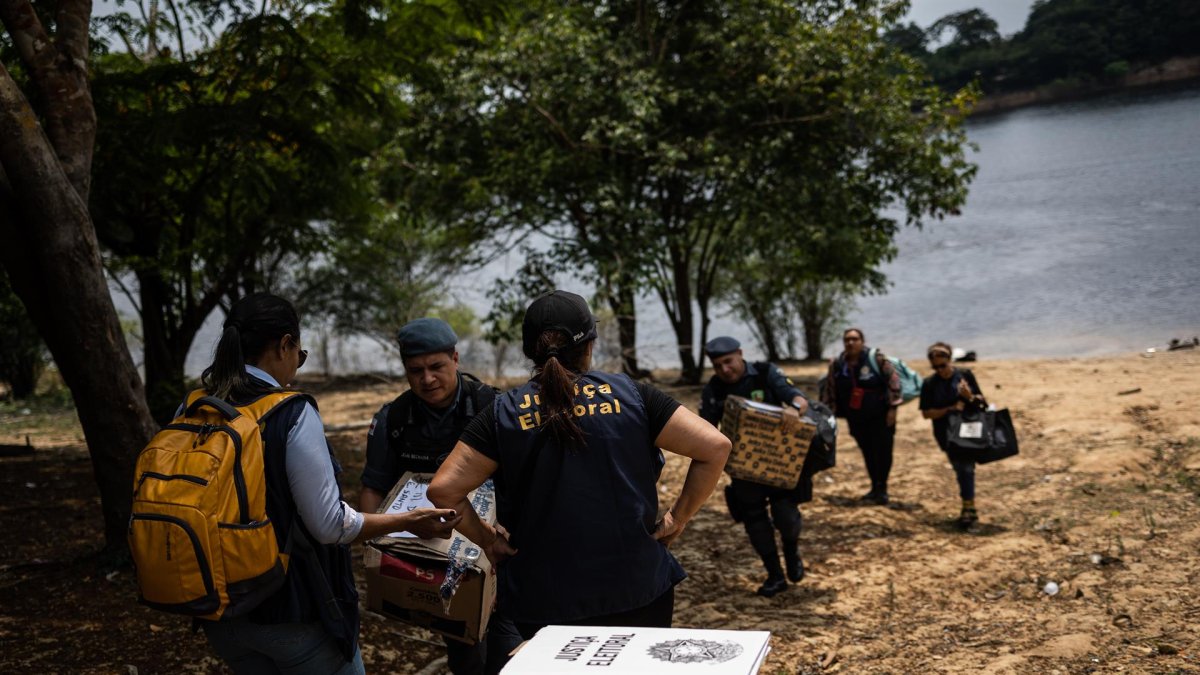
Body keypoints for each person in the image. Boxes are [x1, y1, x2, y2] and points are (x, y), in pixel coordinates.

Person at [427, 290, 730, 663]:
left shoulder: (502, 413)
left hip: (543, 598)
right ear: (590, 345)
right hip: (636, 587)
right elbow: (715, 447)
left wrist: (488, 539)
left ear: (529, 351)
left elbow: (444, 490)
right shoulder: (632, 395)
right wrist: (677, 518)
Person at [193, 293, 460, 675]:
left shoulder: (195, 405)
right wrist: (406, 521)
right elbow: (330, 525)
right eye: (299, 355)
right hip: (289, 611)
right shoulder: (291, 412)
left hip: (216, 610)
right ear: (286, 344)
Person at [358, 318, 499, 675]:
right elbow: (374, 486)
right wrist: (373, 548)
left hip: (497, 542)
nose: (427, 379)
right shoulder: (394, 419)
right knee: (466, 649)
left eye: (436, 367)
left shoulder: (493, 407)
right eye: (416, 370)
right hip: (432, 554)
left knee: (511, 640)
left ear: (456, 358)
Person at [699, 336, 814, 598]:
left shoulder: (765, 373)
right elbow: (705, 430)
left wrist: (794, 409)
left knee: (786, 515)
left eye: (728, 362)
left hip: (779, 463)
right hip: (743, 471)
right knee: (755, 522)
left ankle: (792, 551)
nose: (724, 370)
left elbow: (798, 398)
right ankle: (775, 575)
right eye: (718, 366)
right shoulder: (714, 390)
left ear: (740, 354)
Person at [821, 328, 902, 505]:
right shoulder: (837, 364)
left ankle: (883, 488)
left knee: (883, 451)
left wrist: (892, 409)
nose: (850, 343)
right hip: (856, 418)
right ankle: (874, 487)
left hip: (881, 416)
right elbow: (830, 390)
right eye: (847, 340)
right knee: (868, 451)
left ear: (862, 341)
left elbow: (894, 382)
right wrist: (829, 415)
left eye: (854, 339)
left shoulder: (877, 359)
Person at [919, 342, 987, 530]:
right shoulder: (929, 384)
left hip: (968, 428)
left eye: (943, 365)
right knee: (959, 468)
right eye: (936, 367)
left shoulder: (964, 376)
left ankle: (969, 509)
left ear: (950, 360)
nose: (940, 370)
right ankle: (968, 505)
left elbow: (982, 403)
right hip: (945, 433)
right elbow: (926, 413)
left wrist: (969, 396)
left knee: (966, 467)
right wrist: (949, 409)